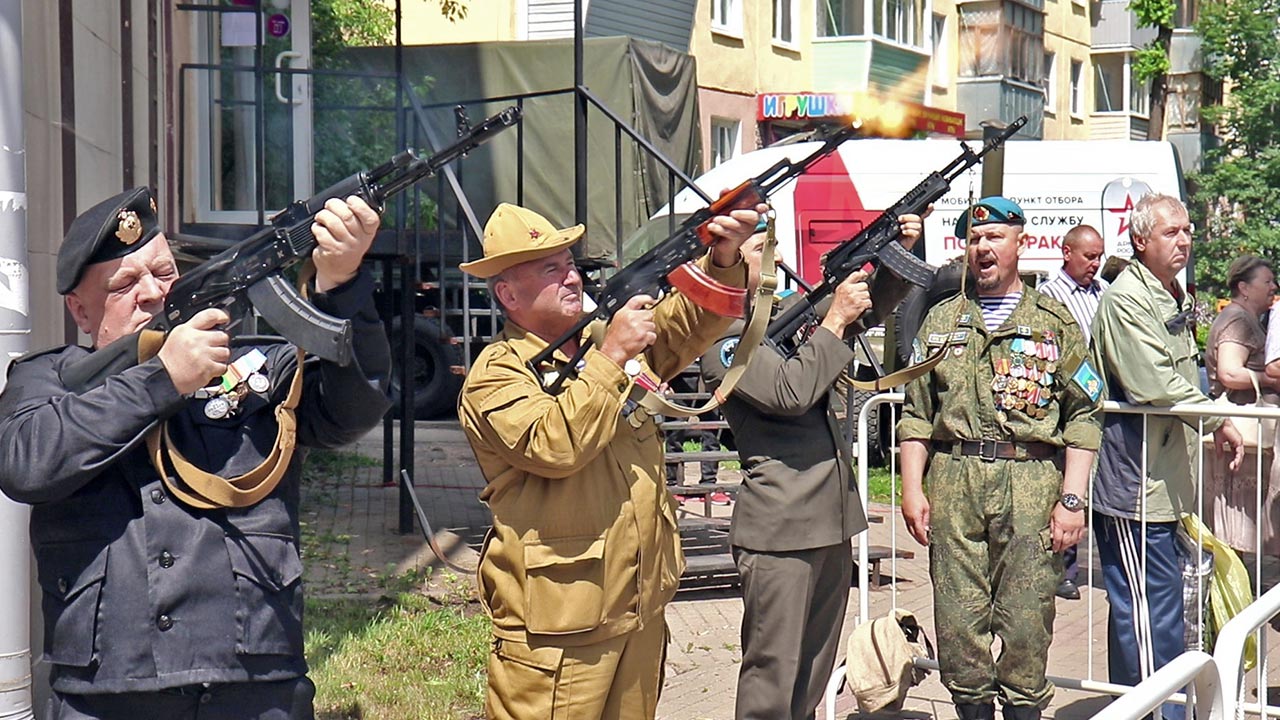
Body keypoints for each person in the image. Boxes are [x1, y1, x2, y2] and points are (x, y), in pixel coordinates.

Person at [0, 187, 390, 719]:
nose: (152, 294)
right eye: (124, 284)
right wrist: (161, 381)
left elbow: (351, 410)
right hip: (108, 690)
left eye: (162, 273)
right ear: (79, 310)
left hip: (253, 681)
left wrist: (340, 286)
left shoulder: (254, 364)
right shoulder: (46, 379)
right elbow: (25, 464)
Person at [457, 200, 762, 720]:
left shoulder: (600, 342)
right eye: (549, 268)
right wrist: (611, 359)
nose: (571, 276)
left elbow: (688, 326)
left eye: (570, 262)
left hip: (637, 607)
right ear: (508, 294)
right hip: (559, 629)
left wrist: (724, 259)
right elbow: (554, 445)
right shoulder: (497, 374)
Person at [700, 213, 924, 720]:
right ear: (731, 262)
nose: (778, 257)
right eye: (761, 248)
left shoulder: (788, 316)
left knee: (815, 672)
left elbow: (863, 312)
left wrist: (894, 253)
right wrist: (835, 320)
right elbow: (790, 392)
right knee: (773, 677)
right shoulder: (723, 337)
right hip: (779, 528)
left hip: (828, 520)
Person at [898, 196, 1101, 720]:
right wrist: (911, 488)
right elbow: (917, 415)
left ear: (1021, 243)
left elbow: (1083, 415)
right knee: (958, 623)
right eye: (974, 239)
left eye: (995, 238)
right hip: (955, 478)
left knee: (1026, 621)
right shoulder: (942, 321)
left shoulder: (1053, 322)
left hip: (1030, 480)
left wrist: (1073, 500)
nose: (983, 248)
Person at [1090, 192, 1244, 720]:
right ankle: (1156, 712)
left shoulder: (1167, 293)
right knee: (1146, 616)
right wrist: (1220, 417)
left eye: (1187, 231)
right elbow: (1155, 385)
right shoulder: (1128, 298)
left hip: (1163, 485)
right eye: (1171, 232)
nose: (1185, 240)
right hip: (1134, 486)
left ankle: (1148, 708)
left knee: (1160, 611)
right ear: (1140, 240)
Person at [1036, 223, 1109, 600]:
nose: (1096, 263)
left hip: (1099, 402)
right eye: (1089, 256)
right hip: (1064, 404)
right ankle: (1062, 568)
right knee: (1064, 484)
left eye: (1099, 256)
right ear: (1067, 253)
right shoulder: (1048, 297)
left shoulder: (1106, 293)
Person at [1205, 255, 1278, 552]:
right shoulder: (1237, 319)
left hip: (1245, 436)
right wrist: (1271, 379)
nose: (1274, 286)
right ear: (1244, 288)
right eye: (1268, 281)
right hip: (1238, 432)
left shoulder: (1246, 318)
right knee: (1233, 530)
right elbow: (1229, 372)